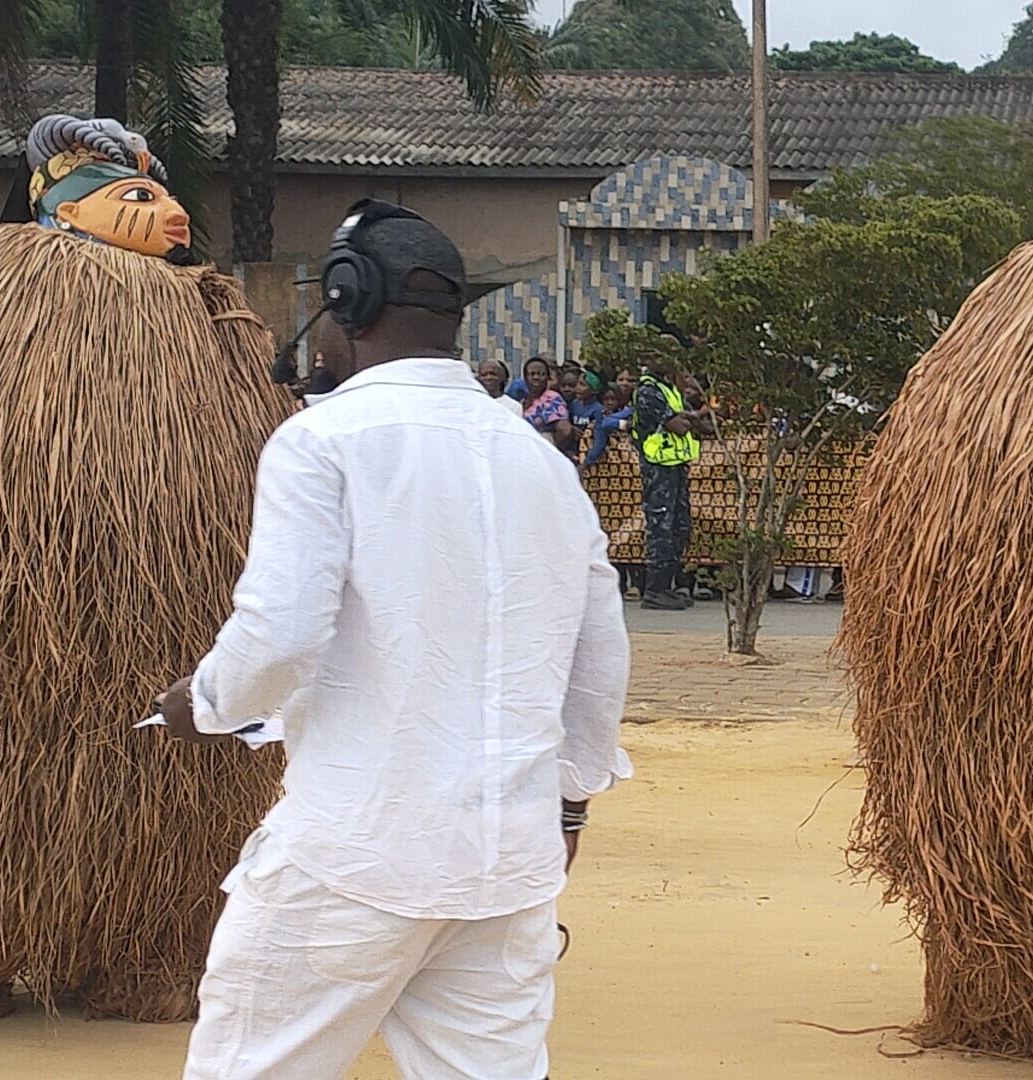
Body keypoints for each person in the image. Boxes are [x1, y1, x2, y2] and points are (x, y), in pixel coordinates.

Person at [155, 200, 631, 1080]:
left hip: (354, 852)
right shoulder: (541, 461)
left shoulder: (321, 442)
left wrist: (204, 704)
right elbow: (598, 660)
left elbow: (283, 632)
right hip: (507, 868)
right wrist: (568, 803)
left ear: (349, 301)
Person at [632, 355, 703, 610]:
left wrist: (692, 417)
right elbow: (679, 425)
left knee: (679, 526)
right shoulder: (649, 390)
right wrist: (689, 418)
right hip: (657, 466)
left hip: (675, 465)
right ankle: (655, 589)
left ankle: (667, 585)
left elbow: (689, 418)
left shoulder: (669, 388)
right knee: (661, 527)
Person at [520, 356, 575, 452]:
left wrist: (554, 448)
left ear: (548, 378)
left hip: (544, 451)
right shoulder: (524, 400)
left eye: (541, 374)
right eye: (532, 374)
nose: (536, 377)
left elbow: (564, 429)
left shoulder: (551, 398)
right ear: (525, 378)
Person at [582, 383, 635, 469]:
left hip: (628, 460)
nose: (609, 402)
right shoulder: (599, 414)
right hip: (603, 463)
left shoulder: (628, 412)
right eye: (606, 399)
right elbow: (603, 429)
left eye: (613, 399)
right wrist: (623, 424)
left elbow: (608, 422)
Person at [559, 366, 602, 462]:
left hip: (587, 452)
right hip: (573, 450)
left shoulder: (598, 410)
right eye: (577, 384)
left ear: (594, 390)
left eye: (582, 385)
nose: (577, 388)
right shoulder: (575, 404)